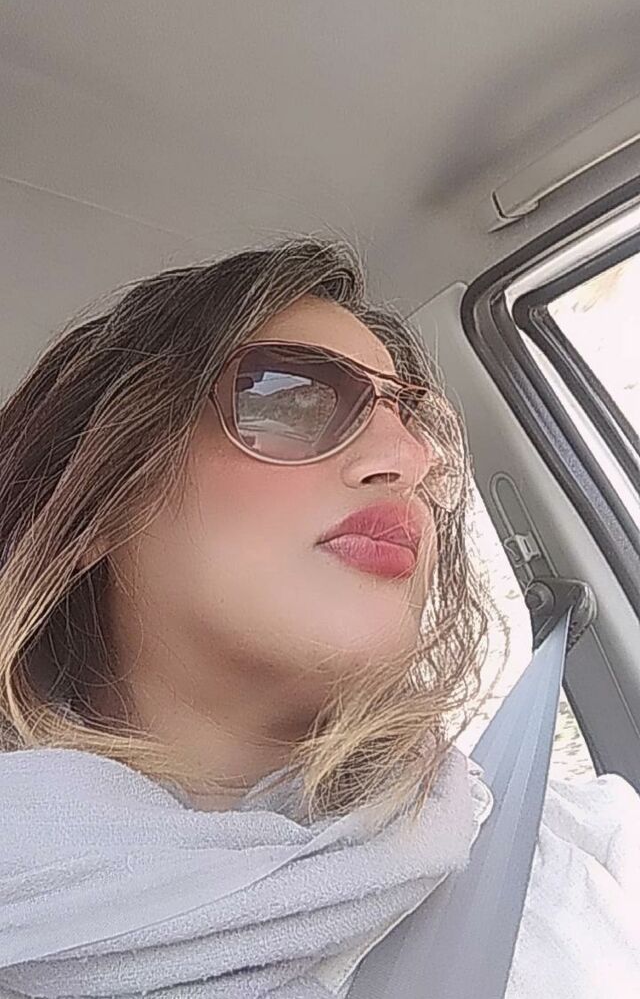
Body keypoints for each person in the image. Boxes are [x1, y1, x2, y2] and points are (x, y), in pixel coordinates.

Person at [0, 235, 638, 997]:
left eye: (414, 418)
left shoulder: (587, 854)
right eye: (291, 396)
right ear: (94, 500)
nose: (409, 457)